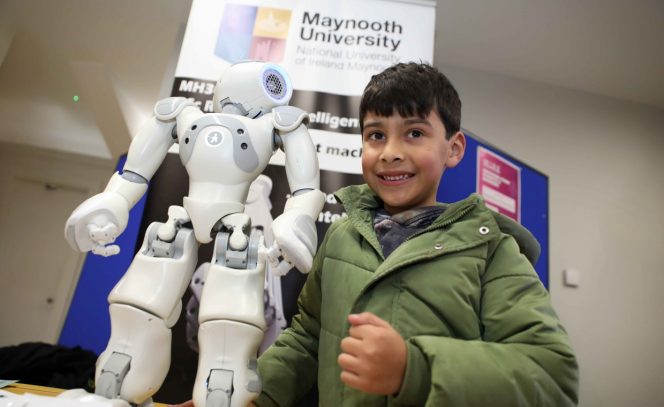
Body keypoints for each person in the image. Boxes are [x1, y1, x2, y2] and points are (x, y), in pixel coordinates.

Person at [174, 62, 579, 406]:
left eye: (415, 133)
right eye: (376, 135)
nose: (390, 152)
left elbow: (552, 375)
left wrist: (414, 369)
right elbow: (308, 339)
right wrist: (250, 397)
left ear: (453, 149)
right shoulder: (342, 236)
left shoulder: (490, 249)